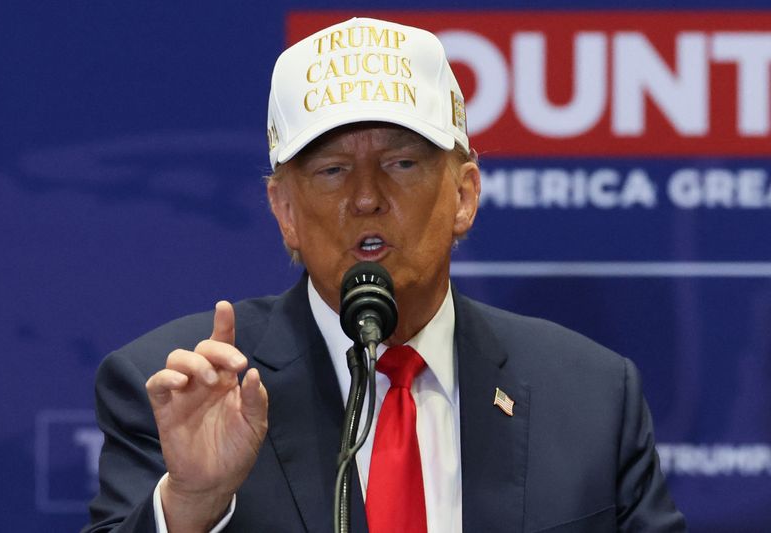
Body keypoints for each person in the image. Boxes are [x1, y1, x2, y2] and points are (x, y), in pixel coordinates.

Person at [84, 17, 687, 533]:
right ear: (284, 212)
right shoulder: (182, 391)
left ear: (463, 194)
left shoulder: (591, 397)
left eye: (401, 162)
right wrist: (192, 504)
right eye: (331, 170)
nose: (366, 197)